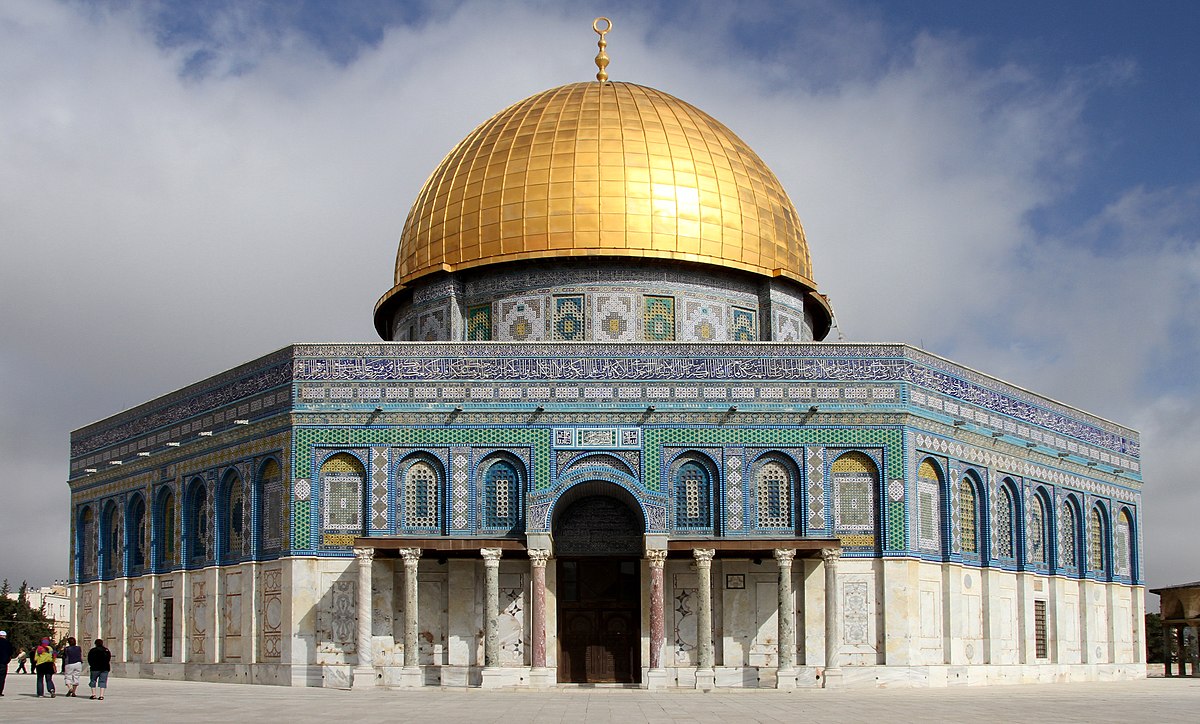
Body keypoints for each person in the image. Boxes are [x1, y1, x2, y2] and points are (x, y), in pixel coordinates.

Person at [0, 630, 12, 696]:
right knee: (2, 678)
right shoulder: (8, 643)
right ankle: (0, 691)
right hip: (3, 663)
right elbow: (10, 653)